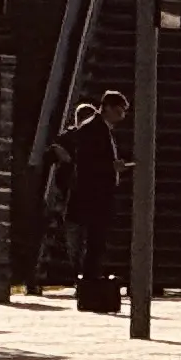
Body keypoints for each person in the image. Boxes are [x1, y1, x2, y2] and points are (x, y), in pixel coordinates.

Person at [58, 93, 127, 312]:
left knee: (97, 241)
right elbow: (87, 164)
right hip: (94, 195)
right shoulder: (93, 129)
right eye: (119, 110)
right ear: (107, 107)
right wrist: (111, 168)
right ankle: (89, 282)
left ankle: (91, 279)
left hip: (98, 193)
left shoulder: (100, 128)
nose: (122, 116)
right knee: (94, 240)